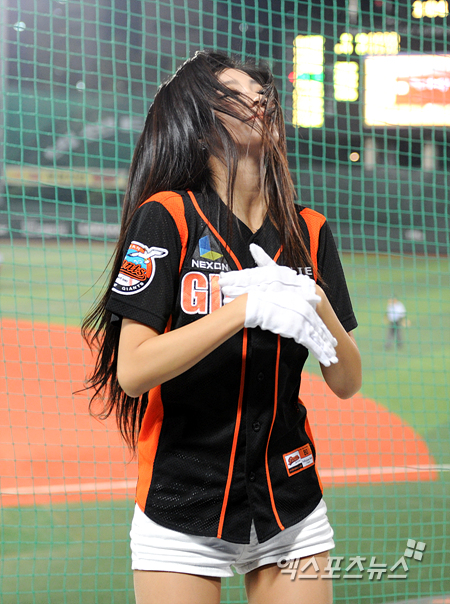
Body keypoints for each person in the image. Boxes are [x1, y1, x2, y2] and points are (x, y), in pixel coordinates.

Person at [82, 50, 362, 604]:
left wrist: (315, 301)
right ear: (202, 124)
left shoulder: (310, 230)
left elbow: (347, 381)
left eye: (261, 93)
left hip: (289, 498)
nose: (260, 100)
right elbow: (133, 371)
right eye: (237, 95)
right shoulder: (167, 215)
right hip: (181, 500)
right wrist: (242, 310)